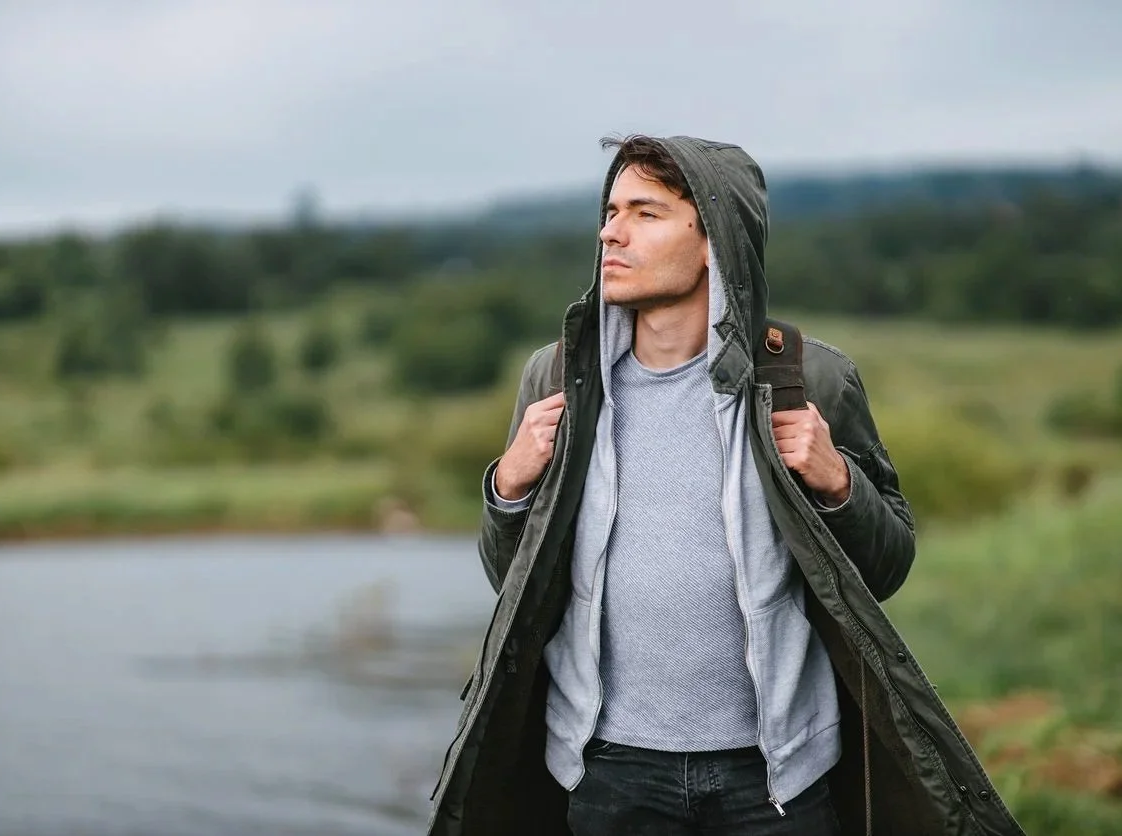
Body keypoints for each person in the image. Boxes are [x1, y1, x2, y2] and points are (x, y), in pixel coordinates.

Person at [427, 135, 1025, 836]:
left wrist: (839, 485)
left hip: (775, 777)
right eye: (610, 211)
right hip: (610, 772)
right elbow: (515, 584)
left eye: (645, 214)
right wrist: (509, 487)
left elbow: (886, 570)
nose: (610, 232)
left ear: (716, 239)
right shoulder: (559, 380)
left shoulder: (809, 382)